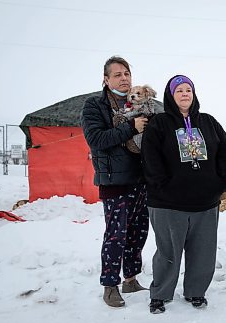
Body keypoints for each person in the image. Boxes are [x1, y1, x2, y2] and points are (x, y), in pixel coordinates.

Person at [142, 75, 226, 314]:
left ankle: (196, 291)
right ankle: (160, 294)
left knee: (203, 252)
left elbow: (224, 151)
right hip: (167, 203)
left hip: (205, 202)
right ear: (171, 96)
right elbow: (150, 158)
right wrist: (162, 185)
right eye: (179, 90)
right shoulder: (159, 124)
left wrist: (221, 182)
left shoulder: (209, 122)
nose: (185, 94)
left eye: (188, 90)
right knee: (167, 252)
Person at [81, 56, 151, 308]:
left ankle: (130, 279)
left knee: (139, 231)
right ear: (106, 79)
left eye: (127, 74)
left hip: (141, 179)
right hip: (114, 181)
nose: (124, 78)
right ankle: (110, 284)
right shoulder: (94, 106)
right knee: (116, 234)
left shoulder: (144, 102)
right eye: (118, 74)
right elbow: (97, 139)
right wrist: (132, 127)